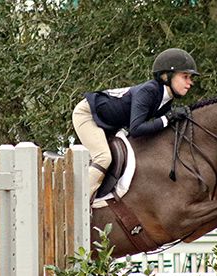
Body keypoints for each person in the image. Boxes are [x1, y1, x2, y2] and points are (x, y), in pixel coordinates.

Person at [72, 48, 200, 200]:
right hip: (87, 114)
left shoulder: (165, 99)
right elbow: (136, 129)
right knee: (104, 157)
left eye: (190, 78)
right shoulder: (149, 91)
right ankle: (77, 202)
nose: (190, 83)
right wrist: (167, 118)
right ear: (166, 76)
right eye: (185, 77)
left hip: (110, 123)